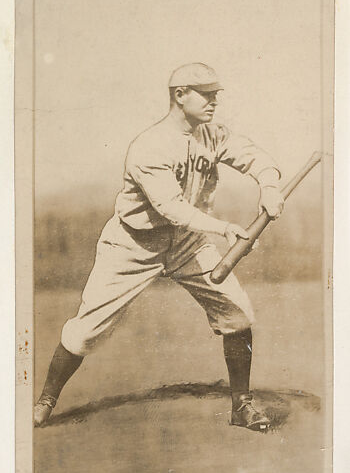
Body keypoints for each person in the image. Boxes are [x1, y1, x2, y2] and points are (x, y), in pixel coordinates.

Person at [34, 63, 284, 431]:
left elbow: (256, 158)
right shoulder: (149, 145)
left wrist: (270, 186)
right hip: (134, 243)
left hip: (187, 243)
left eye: (216, 94)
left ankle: (241, 405)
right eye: (206, 93)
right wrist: (224, 228)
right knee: (85, 331)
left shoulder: (212, 135)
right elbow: (172, 208)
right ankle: (46, 399)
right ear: (179, 95)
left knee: (238, 315)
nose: (214, 100)